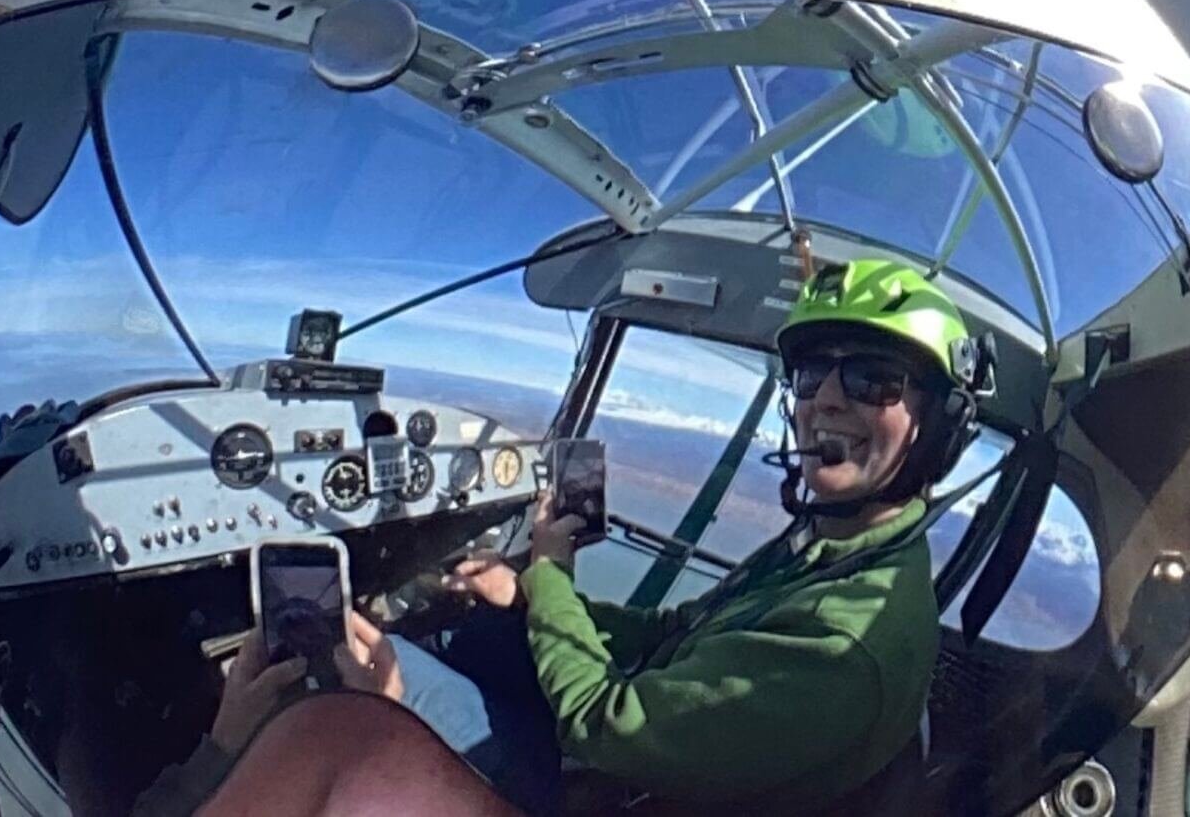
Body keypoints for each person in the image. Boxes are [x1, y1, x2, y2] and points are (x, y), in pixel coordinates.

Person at [164, 257, 986, 815]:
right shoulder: (834, 550)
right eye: (814, 374)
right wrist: (527, 591)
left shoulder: (845, 644)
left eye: (874, 377)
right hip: (629, 770)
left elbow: (604, 723)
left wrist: (545, 579)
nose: (829, 398)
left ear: (940, 426)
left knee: (335, 711)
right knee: (473, 625)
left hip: (600, 789)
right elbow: (675, 638)